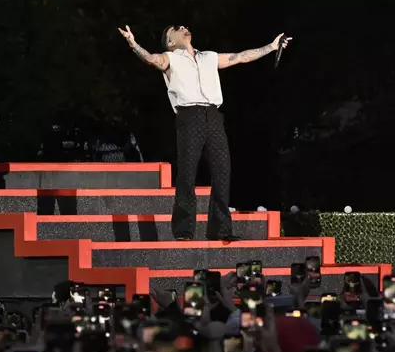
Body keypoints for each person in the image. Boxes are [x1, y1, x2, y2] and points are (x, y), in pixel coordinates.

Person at [118, 24, 291, 241]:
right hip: (189, 116)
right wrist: (133, 44)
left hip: (213, 116)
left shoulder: (208, 57)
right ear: (171, 41)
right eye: (176, 28)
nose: (183, 27)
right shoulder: (171, 58)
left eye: (183, 26)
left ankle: (220, 230)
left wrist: (271, 46)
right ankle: (183, 230)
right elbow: (152, 59)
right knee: (188, 173)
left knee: (222, 171)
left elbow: (240, 57)